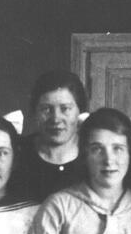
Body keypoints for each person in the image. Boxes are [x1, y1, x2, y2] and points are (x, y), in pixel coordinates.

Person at [12, 70, 89, 203]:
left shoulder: (92, 155)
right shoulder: (18, 153)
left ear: (80, 111)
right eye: (46, 109)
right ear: (35, 112)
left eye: (65, 108)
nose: (56, 119)